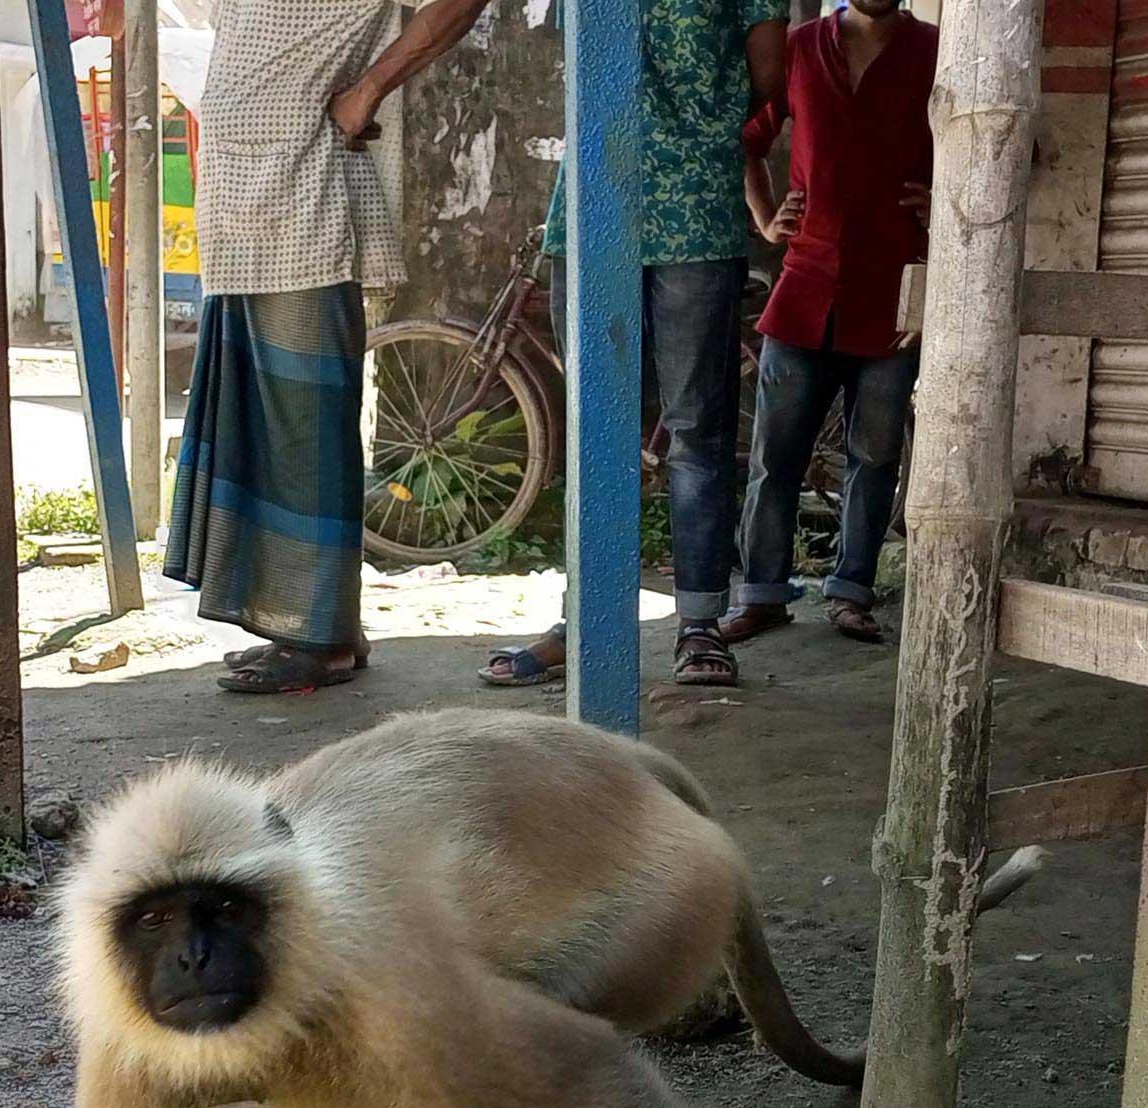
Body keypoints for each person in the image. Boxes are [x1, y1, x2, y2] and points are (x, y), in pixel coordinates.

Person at [169, 0, 494, 694]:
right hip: (245, 221)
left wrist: (367, 91)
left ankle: (317, 639)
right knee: (264, 425)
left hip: (304, 207)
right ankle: (322, 627)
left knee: (303, 432)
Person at [477, 0, 787, 690]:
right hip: (626, 202)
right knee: (677, 430)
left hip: (650, 203)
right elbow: (767, 76)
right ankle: (655, 625)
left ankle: (669, 621)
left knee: (655, 429)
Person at [724, 0, 937, 646]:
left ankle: (851, 593)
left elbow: (1015, 148)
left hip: (894, 291)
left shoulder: (936, 51)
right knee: (773, 456)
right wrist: (765, 218)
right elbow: (745, 140)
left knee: (875, 457)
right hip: (806, 288)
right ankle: (761, 593)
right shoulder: (796, 47)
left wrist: (949, 193)